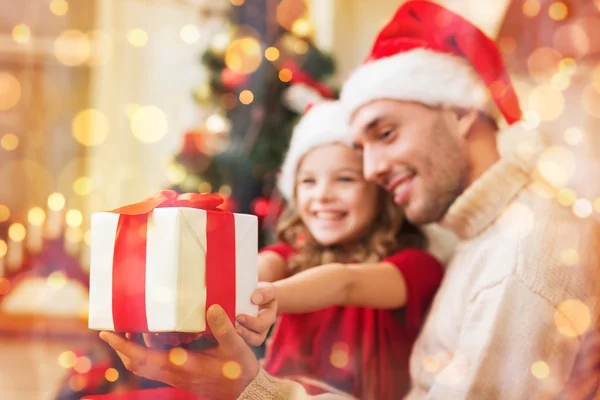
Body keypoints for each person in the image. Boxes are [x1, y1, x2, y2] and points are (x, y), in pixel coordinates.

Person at [100, 0, 599, 398]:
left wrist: (251, 390)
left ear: (461, 113)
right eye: (361, 149)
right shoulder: (483, 241)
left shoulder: (520, 258)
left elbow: (341, 285)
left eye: (386, 133)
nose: (373, 170)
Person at [254, 100, 443, 399]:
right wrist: (239, 286)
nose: (323, 195)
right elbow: (263, 266)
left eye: (345, 179)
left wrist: (267, 298)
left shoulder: (416, 266)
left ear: (382, 192)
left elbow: (344, 282)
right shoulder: (294, 258)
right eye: (308, 181)